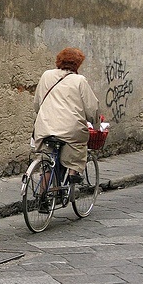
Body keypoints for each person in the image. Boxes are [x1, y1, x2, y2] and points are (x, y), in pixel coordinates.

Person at [33, 47, 100, 183]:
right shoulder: (79, 80)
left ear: (59, 60)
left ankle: (42, 197)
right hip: (70, 130)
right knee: (78, 145)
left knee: (47, 162)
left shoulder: (46, 75)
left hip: (45, 128)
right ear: (78, 64)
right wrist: (96, 125)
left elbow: (37, 104)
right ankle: (72, 172)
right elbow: (92, 108)